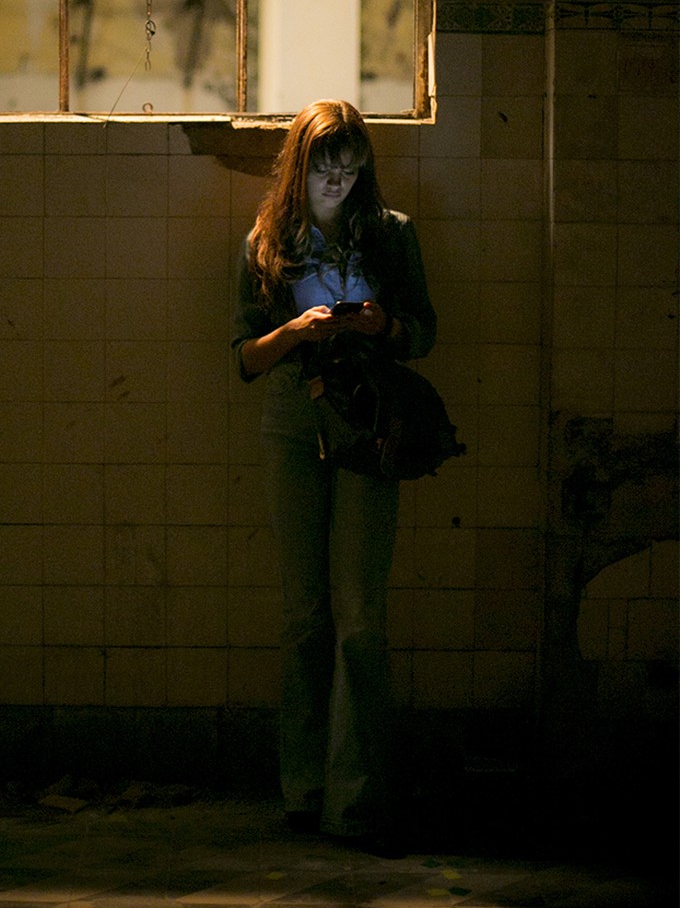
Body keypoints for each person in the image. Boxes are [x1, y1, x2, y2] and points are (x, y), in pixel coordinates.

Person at [231, 100, 437, 851]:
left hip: (368, 422)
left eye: (350, 169)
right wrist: (296, 328)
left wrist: (382, 326)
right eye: (325, 167)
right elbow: (245, 358)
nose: (338, 181)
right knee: (304, 614)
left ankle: (354, 797)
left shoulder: (391, 234)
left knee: (360, 618)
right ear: (299, 166)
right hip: (292, 419)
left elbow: (425, 331)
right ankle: (302, 786)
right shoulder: (267, 243)